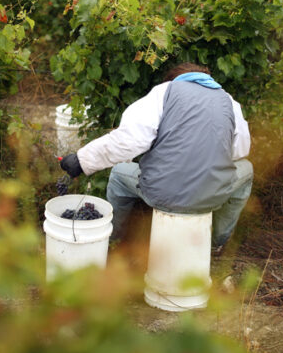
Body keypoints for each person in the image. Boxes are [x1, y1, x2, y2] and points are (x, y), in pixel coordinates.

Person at [59, 62, 253, 249]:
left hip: (163, 194)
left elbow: (129, 140)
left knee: (119, 174)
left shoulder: (165, 92)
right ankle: (217, 242)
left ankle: (112, 239)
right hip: (213, 194)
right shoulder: (228, 101)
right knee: (247, 169)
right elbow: (240, 150)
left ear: (173, 80)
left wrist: (81, 160)